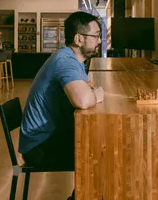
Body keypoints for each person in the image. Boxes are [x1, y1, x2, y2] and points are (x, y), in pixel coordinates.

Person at [19, 11, 105, 173]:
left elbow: (86, 87)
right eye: (96, 36)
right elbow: (82, 100)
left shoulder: (69, 58)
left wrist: (89, 91)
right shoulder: (66, 61)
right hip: (39, 147)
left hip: (46, 137)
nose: (99, 41)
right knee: (100, 154)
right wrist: (96, 96)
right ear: (79, 39)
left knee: (101, 143)